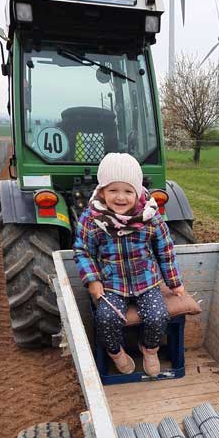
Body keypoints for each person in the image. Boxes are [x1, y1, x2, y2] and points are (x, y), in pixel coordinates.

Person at [73, 152, 185, 377]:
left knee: (157, 316)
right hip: (112, 284)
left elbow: (165, 251)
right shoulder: (92, 218)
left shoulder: (150, 217)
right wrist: (93, 281)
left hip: (146, 282)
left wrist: (174, 283)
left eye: (127, 191)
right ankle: (116, 353)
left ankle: (150, 349)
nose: (120, 197)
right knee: (105, 318)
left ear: (138, 192)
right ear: (102, 191)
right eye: (113, 190)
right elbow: (82, 251)